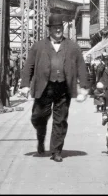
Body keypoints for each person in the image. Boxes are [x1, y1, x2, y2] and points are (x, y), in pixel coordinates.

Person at [19, 13, 89, 163]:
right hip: (44, 88)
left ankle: (56, 151)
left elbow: (81, 67)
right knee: (38, 117)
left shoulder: (72, 46)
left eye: (60, 27)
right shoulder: (38, 46)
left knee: (60, 120)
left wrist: (83, 86)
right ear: (49, 29)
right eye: (55, 28)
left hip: (63, 88)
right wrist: (24, 85)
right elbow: (28, 66)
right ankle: (40, 136)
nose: (58, 30)